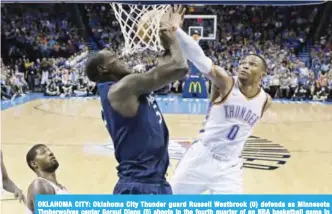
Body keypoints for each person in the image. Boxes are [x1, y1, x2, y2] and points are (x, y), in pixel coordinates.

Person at [168, 6, 273, 194]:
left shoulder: (265, 100)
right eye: (243, 63)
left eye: (252, 64)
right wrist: (177, 30)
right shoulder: (226, 83)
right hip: (202, 158)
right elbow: (200, 59)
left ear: (263, 73)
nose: (245, 66)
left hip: (230, 167)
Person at [84, 7, 188, 194]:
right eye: (115, 58)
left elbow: (166, 66)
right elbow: (180, 67)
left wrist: (173, 34)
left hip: (153, 182)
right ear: (103, 69)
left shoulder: (123, 89)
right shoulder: (122, 89)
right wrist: (168, 33)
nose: (122, 58)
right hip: (140, 187)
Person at [26, 144, 68, 214]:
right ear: (34, 164)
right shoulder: (39, 184)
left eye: (49, 150)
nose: (50, 153)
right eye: (43, 152)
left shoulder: (62, 188)